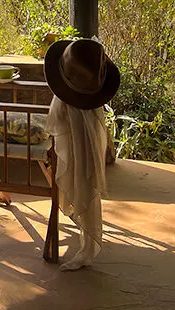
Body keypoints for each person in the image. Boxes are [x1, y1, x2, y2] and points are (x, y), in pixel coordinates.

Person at [43, 38, 120, 270]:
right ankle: (84, 227)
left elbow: (51, 127)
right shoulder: (93, 115)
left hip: (43, 141)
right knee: (84, 176)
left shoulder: (61, 110)